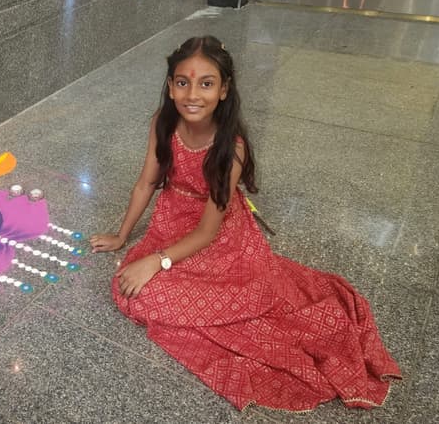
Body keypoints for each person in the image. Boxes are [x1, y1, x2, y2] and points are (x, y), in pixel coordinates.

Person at [90, 36, 401, 412]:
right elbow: (146, 182)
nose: (192, 94)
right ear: (170, 85)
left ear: (224, 90)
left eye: (206, 83)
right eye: (182, 82)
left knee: (147, 292)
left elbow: (208, 231)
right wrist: (123, 236)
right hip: (170, 224)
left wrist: (158, 260)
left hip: (221, 242)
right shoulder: (163, 121)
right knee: (129, 288)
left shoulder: (230, 146)